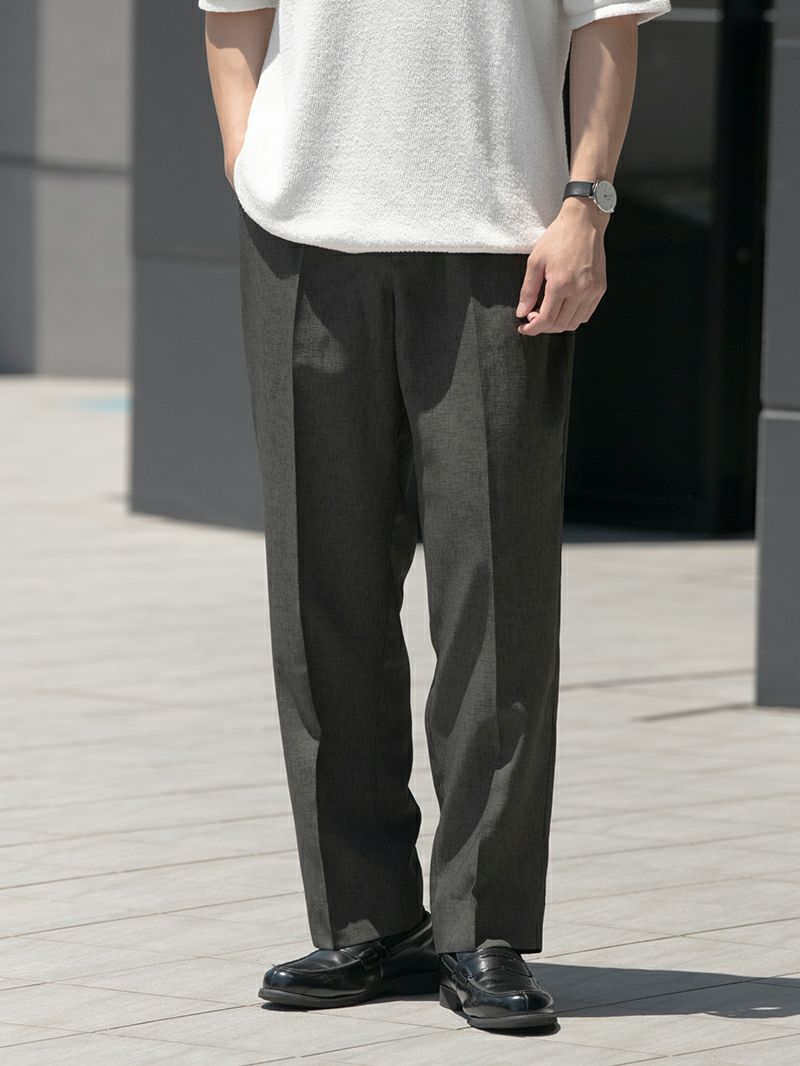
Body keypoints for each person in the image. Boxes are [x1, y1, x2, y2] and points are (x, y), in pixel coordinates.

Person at [200, 0, 671, 1032]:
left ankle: (479, 925)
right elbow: (231, 19)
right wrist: (250, 168)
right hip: (302, 246)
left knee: (495, 597)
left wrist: (586, 204)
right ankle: (364, 917)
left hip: (499, 245)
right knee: (321, 593)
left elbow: (607, 23)